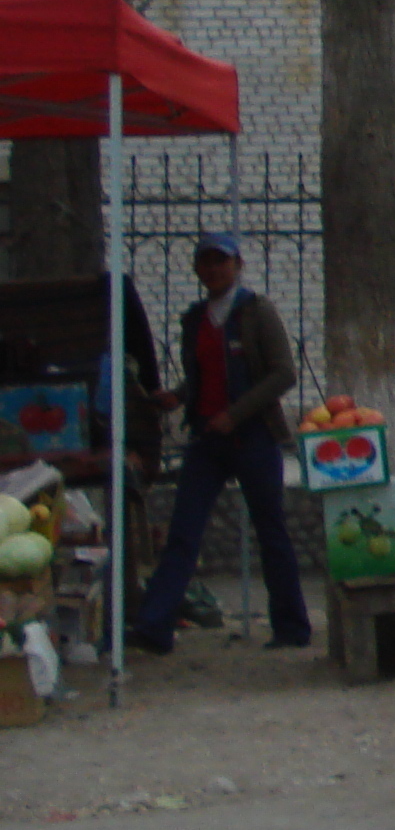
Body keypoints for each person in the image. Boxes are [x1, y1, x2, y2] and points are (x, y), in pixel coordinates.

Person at [128, 233, 312, 654]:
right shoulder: (195, 319)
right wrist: (178, 395)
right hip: (207, 439)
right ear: (196, 270)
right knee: (183, 534)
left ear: (238, 265)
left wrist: (237, 413)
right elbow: (203, 377)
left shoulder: (257, 312)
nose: (213, 270)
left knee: (272, 533)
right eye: (205, 263)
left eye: (221, 262)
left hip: (254, 437)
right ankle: (154, 629)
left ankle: (291, 627)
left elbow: (283, 373)